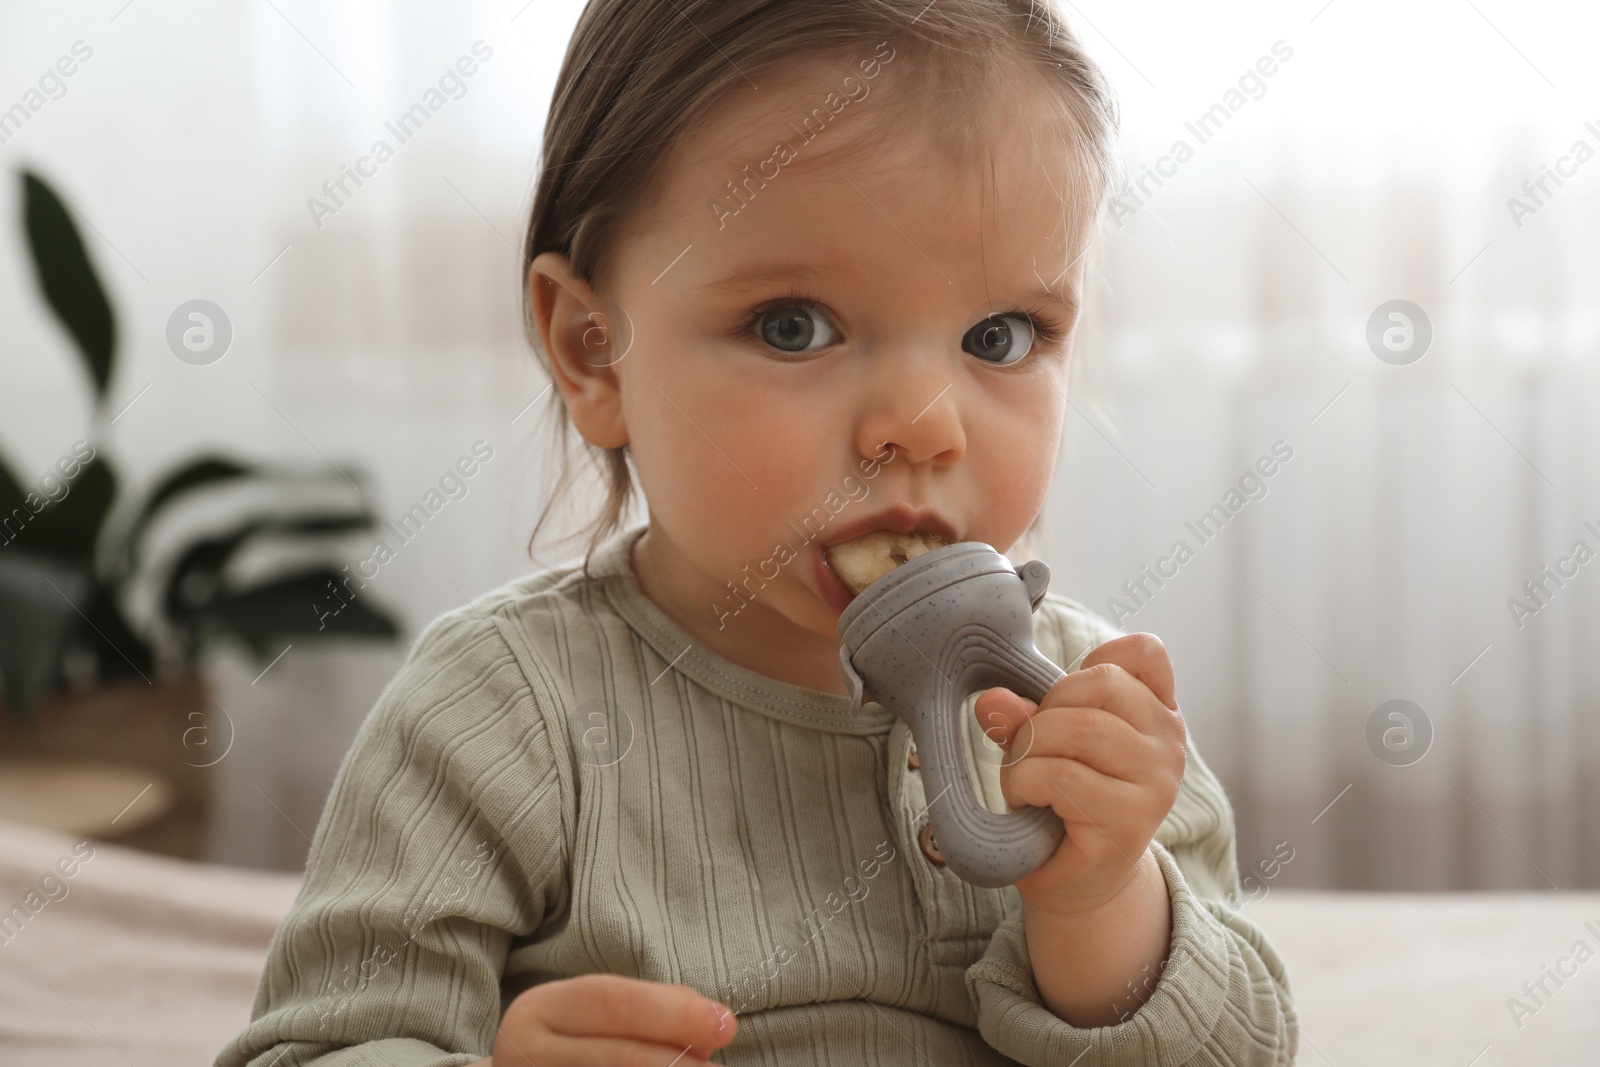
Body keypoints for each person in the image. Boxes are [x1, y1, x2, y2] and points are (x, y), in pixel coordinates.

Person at [217, 0, 1297, 1063]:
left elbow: (1245, 1047)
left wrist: (1103, 900)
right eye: (794, 327)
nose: (921, 424)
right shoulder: (501, 712)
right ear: (596, 353)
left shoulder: (1080, 702)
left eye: (999, 335)